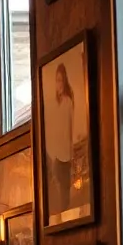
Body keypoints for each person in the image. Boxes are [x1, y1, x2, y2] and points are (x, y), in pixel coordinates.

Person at [45, 62, 76, 221]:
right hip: (57, 154)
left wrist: (71, 154)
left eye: (61, 80)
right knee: (57, 189)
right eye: (57, 80)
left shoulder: (68, 103)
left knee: (65, 189)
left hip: (65, 154)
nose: (59, 84)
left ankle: (66, 217)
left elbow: (69, 130)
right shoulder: (54, 105)